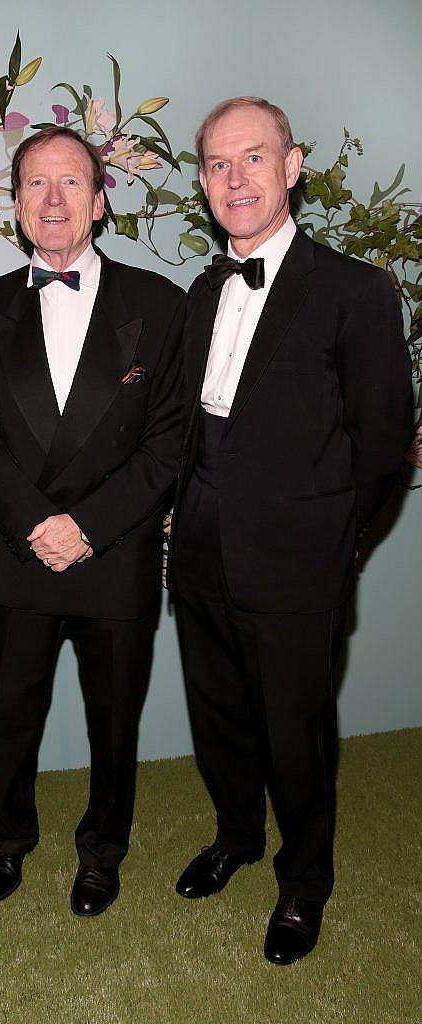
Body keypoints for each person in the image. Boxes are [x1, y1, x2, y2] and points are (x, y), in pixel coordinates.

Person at [168, 98, 413, 963]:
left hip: (299, 562)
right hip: (197, 547)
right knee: (221, 718)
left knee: (296, 735)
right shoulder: (201, 293)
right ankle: (237, 834)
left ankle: (304, 882)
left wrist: (337, 539)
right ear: (202, 181)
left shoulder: (354, 290)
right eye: (217, 165)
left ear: (292, 163)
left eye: (253, 158)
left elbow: (384, 442)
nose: (235, 179)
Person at [0, 126, 187, 916]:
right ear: (16, 205)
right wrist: (34, 524)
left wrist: (86, 527)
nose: (53, 201)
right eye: (35, 185)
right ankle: (9, 840)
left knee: (112, 725)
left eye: (71, 184)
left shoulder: (159, 305)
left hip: (113, 553)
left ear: (98, 198)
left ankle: (103, 852)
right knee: (11, 717)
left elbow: (168, 442)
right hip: (20, 556)